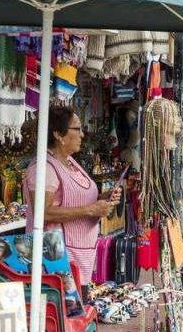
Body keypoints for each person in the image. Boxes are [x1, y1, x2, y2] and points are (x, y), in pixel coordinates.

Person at [23, 106, 122, 283]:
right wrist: (90, 209)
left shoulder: (70, 162)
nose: (82, 135)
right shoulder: (44, 168)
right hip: (57, 259)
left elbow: (76, 199)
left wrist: (102, 198)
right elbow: (43, 212)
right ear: (58, 135)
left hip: (79, 255)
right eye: (77, 129)